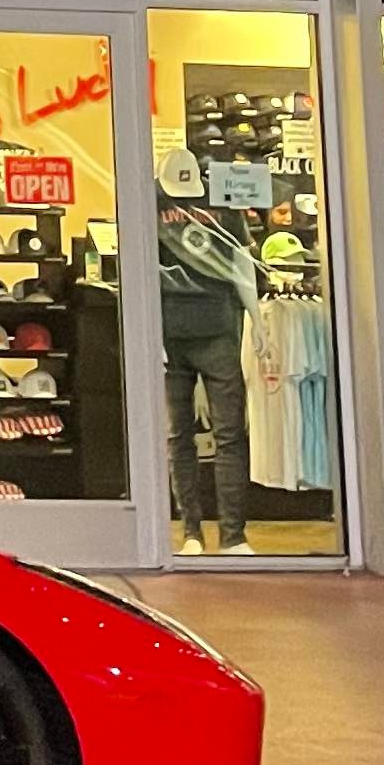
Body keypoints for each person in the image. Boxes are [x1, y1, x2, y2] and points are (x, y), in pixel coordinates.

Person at [156, 166, 259, 551]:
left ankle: (233, 536)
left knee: (230, 433)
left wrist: (257, 319)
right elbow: (139, 268)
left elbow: (242, 261)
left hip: (219, 328)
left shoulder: (223, 194)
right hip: (170, 331)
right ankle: (191, 532)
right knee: (178, 435)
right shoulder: (149, 199)